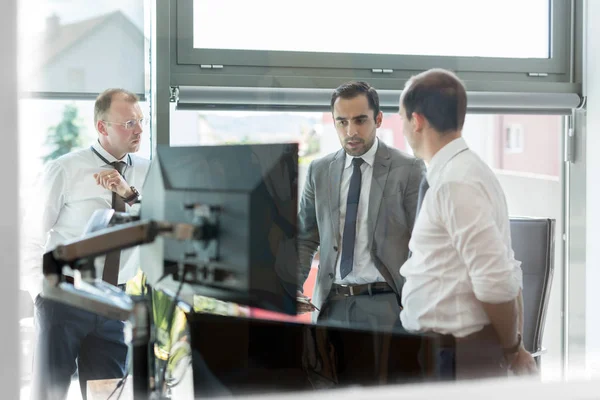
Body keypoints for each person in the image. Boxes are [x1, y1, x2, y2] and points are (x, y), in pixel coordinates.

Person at [398, 68, 538, 379]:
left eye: (402, 118)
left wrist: (513, 350)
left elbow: (496, 281)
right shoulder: (461, 172)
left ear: (416, 120)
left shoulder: (455, 182)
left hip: (455, 357)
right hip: (445, 353)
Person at [21, 88, 151, 399]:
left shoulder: (149, 171)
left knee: (105, 394)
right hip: (64, 297)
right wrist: (43, 292)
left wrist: (129, 194)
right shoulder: (64, 169)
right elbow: (28, 238)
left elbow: (156, 226)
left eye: (141, 121)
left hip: (113, 300)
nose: (139, 130)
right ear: (102, 127)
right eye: (129, 123)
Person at [296, 81, 425, 331]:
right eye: (341, 122)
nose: (350, 131)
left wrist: (413, 300)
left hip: (386, 305)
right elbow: (305, 237)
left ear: (378, 120)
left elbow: (423, 242)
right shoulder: (319, 171)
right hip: (330, 305)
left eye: (360, 120)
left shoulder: (409, 170)